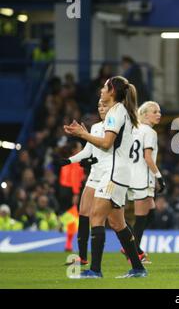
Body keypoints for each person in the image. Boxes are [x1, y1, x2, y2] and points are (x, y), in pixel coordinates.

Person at [64, 76, 147, 278]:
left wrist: (82, 135)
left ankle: (95, 270)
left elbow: (107, 143)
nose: (101, 90)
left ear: (112, 91)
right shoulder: (120, 111)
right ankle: (138, 268)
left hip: (113, 174)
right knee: (117, 223)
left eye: (104, 87)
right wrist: (84, 134)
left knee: (96, 216)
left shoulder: (116, 111)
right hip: (118, 173)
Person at [61, 99, 112, 265]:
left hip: (109, 175)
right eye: (99, 106)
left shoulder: (115, 127)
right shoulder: (95, 128)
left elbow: (109, 150)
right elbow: (88, 151)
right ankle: (82, 257)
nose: (101, 108)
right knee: (83, 212)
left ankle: (134, 253)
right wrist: (69, 161)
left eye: (105, 105)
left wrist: (93, 159)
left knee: (116, 221)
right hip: (94, 176)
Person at [126, 101, 166, 263]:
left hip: (130, 176)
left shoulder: (133, 130)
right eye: (154, 111)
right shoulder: (149, 132)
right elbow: (147, 157)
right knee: (142, 216)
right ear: (144, 115)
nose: (159, 114)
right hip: (142, 177)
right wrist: (159, 177)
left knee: (151, 211)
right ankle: (134, 253)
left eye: (159, 111)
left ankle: (132, 246)